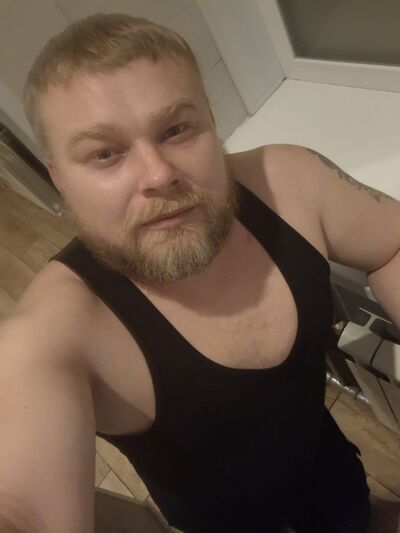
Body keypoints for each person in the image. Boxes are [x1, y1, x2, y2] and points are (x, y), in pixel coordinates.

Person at [1, 12, 399, 533]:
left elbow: (391, 243)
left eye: (176, 129)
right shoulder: (53, 336)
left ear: (210, 123)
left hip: (333, 477)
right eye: (104, 153)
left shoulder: (291, 182)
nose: (158, 174)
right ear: (59, 180)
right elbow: (20, 506)